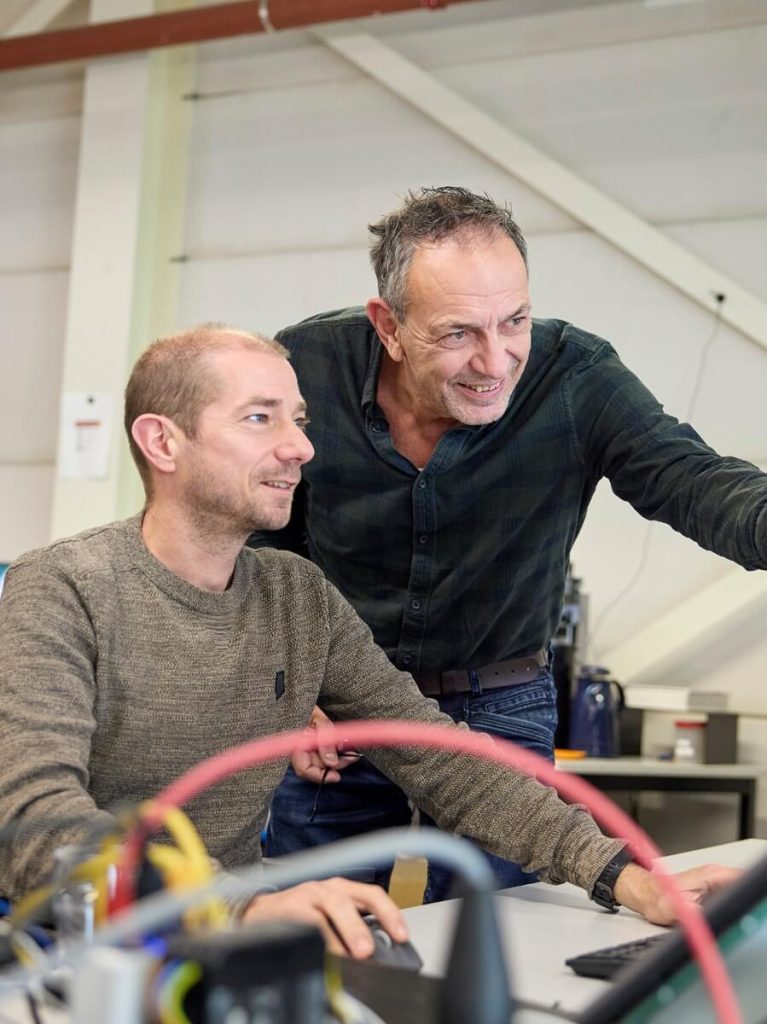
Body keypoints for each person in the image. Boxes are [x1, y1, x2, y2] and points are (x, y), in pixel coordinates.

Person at [0, 325, 738, 957]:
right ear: (162, 441)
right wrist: (237, 908)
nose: (300, 449)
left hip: (226, 950)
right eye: (261, 419)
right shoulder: (63, 587)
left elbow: (445, 761)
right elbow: (34, 816)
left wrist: (630, 876)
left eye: (299, 419)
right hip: (68, 953)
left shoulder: (296, 595)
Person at [252, 186, 767, 903]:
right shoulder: (303, 367)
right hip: (334, 711)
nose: (495, 361)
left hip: (499, 701)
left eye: (514, 321)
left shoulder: (574, 377)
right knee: (304, 938)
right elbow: (251, 544)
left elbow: (689, 478)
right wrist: (286, 685)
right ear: (389, 326)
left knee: (508, 933)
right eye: (458, 333)